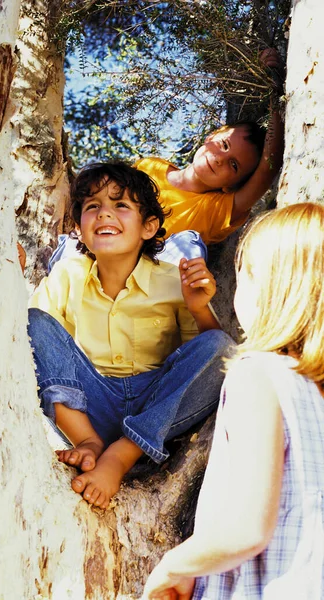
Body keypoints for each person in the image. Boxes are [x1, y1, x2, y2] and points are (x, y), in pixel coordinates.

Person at [142, 202, 324, 600]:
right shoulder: (314, 392)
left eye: (244, 276)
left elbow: (247, 527)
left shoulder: (258, 375)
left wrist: (175, 565)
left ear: (271, 288)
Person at [27, 162, 235, 509]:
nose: (104, 214)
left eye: (120, 205)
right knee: (35, 321)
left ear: (149, 226)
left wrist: (199, 307)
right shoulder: (67, 274)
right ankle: (89, 443)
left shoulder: (173, 279)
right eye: (92, 207)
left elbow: (211, 362)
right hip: (86, 405)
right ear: (79, 228)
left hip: (156, 406)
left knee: (222, 347)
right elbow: (41, 345)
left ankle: (121, 455)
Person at [46, 48, 284, 271]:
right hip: (99, 257)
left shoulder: (213, 209)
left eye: (234, 165)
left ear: (230, 184)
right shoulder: (151, 166)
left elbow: (267, 169)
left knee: (188, 243)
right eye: (223, 144)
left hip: (146, 280)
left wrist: (274, 92)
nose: (221, 158)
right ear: (211, 136)